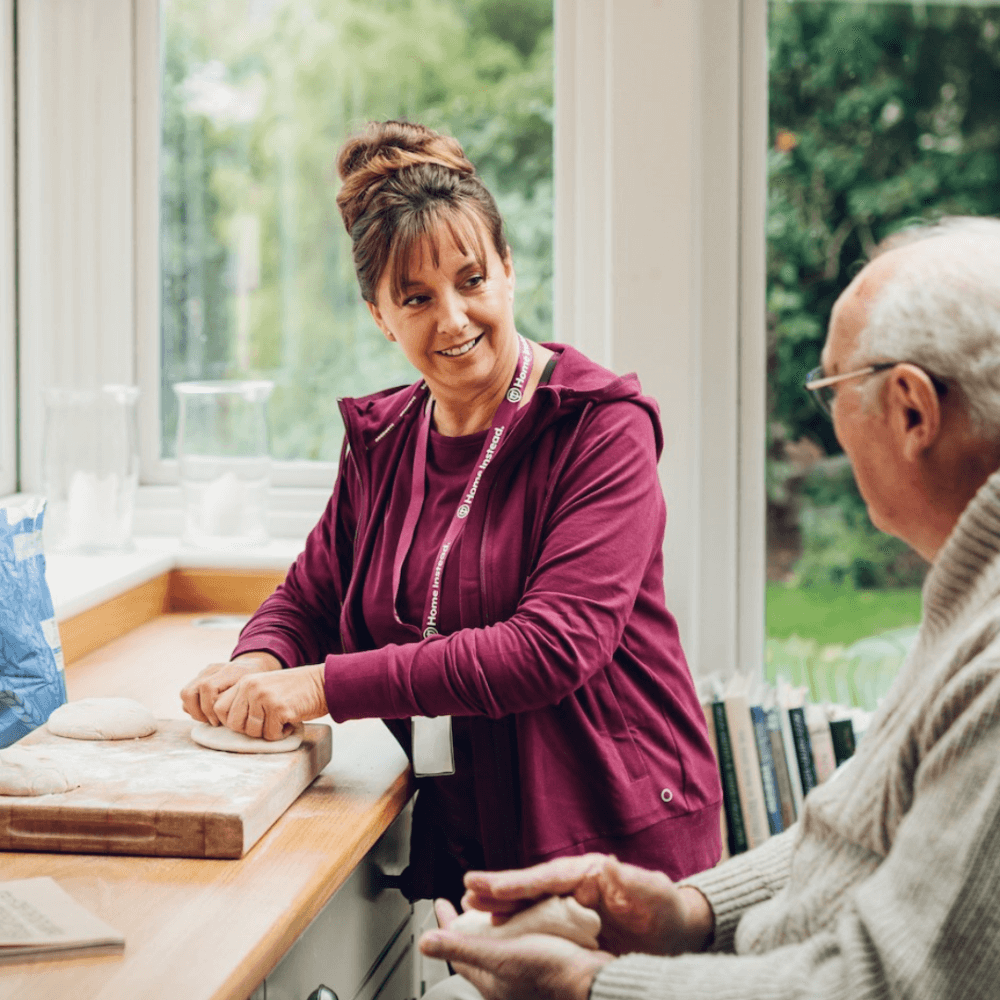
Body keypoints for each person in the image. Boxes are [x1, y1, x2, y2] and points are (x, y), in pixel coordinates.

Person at [417, 215, 1000, 999]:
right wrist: (691, 911)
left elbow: (889, 987)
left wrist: (592, 988)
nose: (825, 423)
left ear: (911, 412)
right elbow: (867, 831)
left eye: (830, 388)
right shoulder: (969, 598)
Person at [180, 120, 722, 904]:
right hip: (480, 843)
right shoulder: (385, 438)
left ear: (507, 269)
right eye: (416, 298)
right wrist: (257, 664)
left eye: (472, 280)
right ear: (379, 315)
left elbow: (551, 648)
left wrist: (320, 687)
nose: (454, 319)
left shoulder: (601, 426)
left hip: (620, 844)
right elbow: (311, 597)